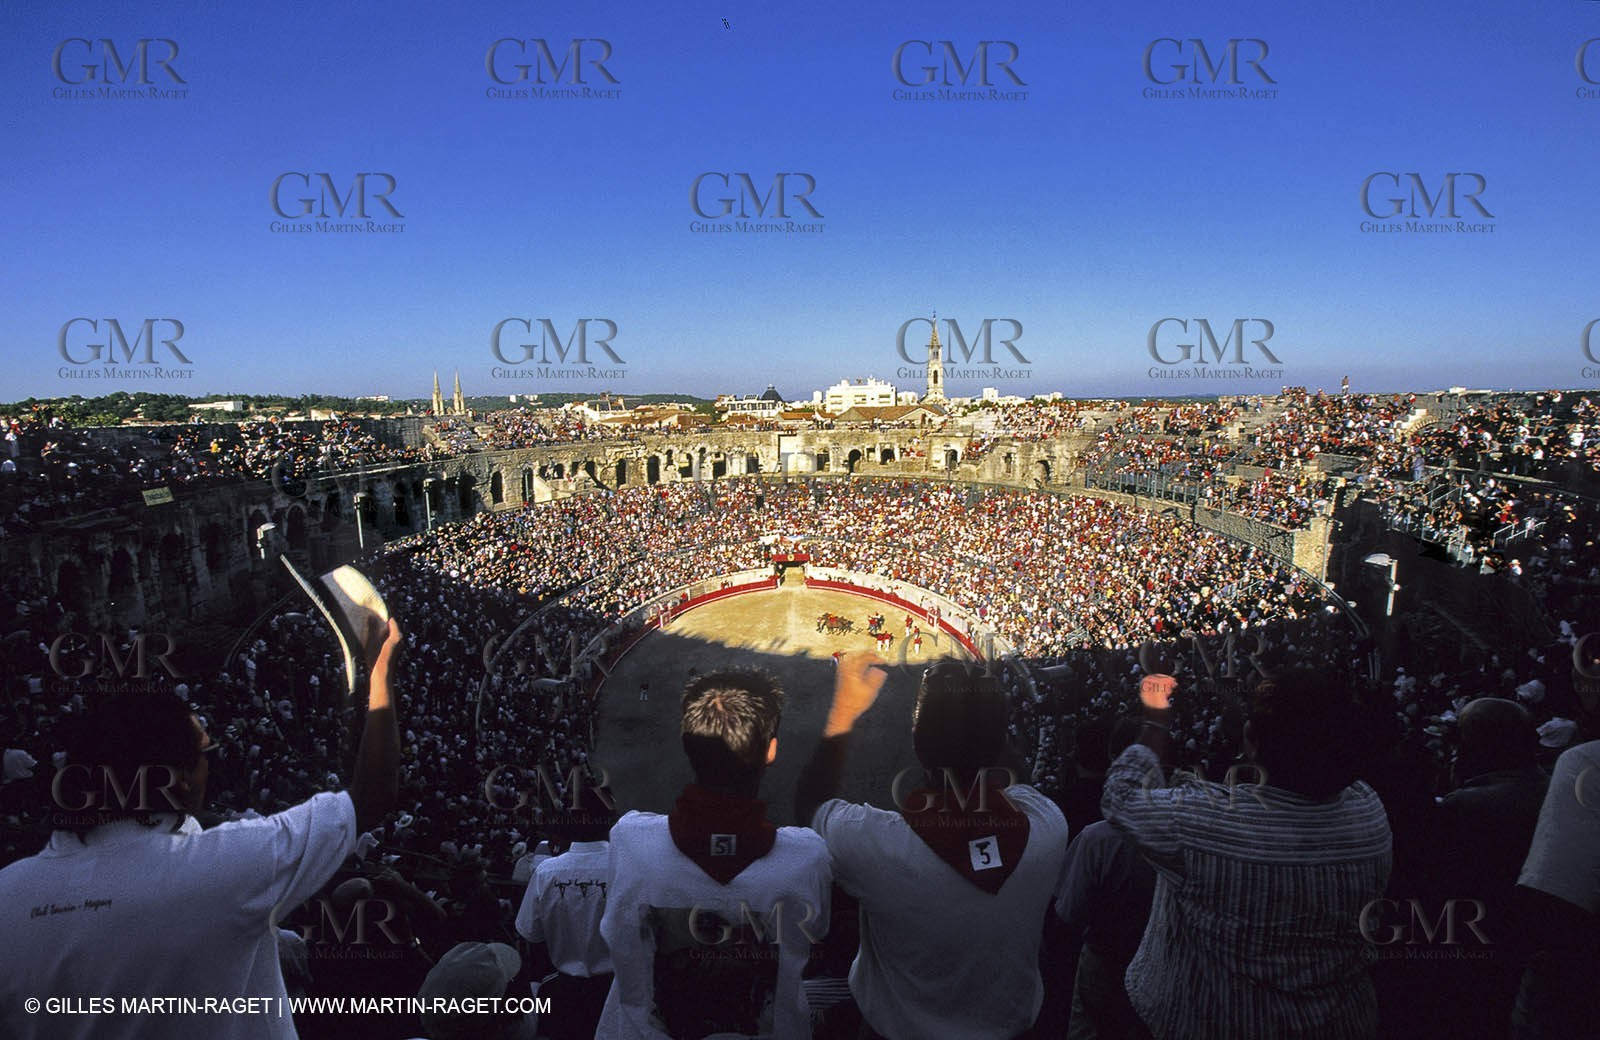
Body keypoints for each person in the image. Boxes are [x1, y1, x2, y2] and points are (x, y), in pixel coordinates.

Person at [0, 618, 404, 1040]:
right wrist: (381, 675)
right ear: (178, 778)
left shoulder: (7, 895)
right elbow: (370, 797)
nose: (213, 762)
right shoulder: (221, 868)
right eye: (208, 751)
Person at [1100, 653, 1391, 1040]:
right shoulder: (1369, 812)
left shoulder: (1207, 825)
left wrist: (1156, 719)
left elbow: (1121, 797)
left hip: (1214, 1024)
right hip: (1340, 1022)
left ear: (1252, 741)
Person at [798, 654, 1069, 1039]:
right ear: (997, 745)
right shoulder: (1049, 827)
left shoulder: (875, 845)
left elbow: (810, 808)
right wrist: (984, 722)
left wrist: (844, 712)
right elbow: (1017, 782)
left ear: (917, 744)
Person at [597, 669, 830, 1039]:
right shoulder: (808, 856)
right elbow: (815, 935)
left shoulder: (630, 839)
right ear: (771, 751)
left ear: (685, 742)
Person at [1054, 718, 1156, 1040]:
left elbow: (1067, 914)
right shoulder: (1184, 828)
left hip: (1103, 963)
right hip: (1156, 963)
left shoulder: (1097, 839)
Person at [514, 786, 616, 1040]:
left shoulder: (547, 872)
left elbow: (531, 936)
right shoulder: (628, 867)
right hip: (616, 993)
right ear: (611, 822)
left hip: (563, 993)